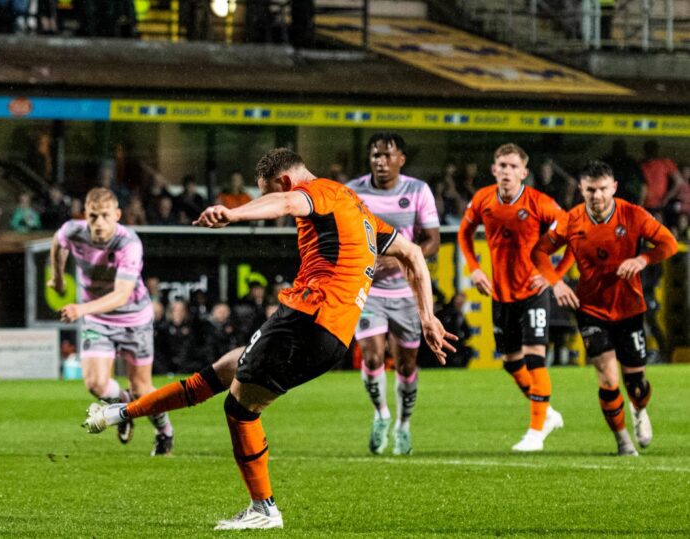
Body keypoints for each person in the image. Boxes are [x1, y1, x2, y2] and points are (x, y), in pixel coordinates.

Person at [83, 148, 456, 530]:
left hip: (308, 318)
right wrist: (427, 317)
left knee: (240, 409)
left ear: (283, 180)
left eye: (263, 191)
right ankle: (119, 413)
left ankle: (264, 509)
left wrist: (234, 212)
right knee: (226, 369)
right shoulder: (356, 208)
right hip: (331, 333)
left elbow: (285, 201)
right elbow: (412, 253)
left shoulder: (318, 192)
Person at [531, 160, 678, 456]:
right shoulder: (572, 220)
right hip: (591, 309)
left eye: (601, 190)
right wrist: (557, 283)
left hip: (629, 307)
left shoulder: (633, 215)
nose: (596, 196)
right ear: (581, 191)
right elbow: (539, 251)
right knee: (608, 377)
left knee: (635, 382)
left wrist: (642, 260)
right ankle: (623, 442)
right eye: (590, 190)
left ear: (613, 188)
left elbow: (669, 244)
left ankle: (639, 411)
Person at [457, 143, 568, 452]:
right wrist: (476, 269)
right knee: (511, 361)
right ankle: (546, 412)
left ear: (524, 172)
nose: (506, 171)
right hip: (501, 293)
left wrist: (552, 274)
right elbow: (465, 235)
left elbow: (571, 234)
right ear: (494, 169)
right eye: (502, 166)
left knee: (534, 357)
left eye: (512, 167)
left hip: (533, 293)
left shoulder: (539, 203)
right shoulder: (483, 199)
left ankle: (536, 432)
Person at [49, 187, 174, 456]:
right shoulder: (73, 230)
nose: (99, 223)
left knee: (142, 389)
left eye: (105, 215)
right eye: (93, 216)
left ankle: (164, 431)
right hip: (97, 319)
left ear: (117, 215)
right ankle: (125, 410)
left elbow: (121, 295)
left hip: (134, 319)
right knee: (95, 384)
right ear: (86, 215)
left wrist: (81, 309)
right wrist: (58, 278)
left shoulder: (129, 243)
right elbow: (57, 243)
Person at [346, 132, 440, 456]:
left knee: (406, 365)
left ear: (401, 158)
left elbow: (432, 240)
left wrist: (403, 255)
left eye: (388, 155)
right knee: (372, 357)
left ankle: (403, 425)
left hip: (407, 294)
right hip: (368, 290)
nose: (381, 161)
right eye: (375, 156)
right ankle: (381, 414)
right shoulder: (354, 192)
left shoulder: (417, 190)